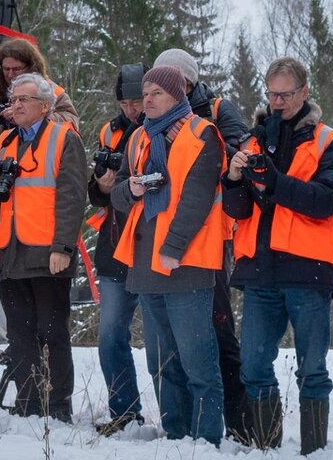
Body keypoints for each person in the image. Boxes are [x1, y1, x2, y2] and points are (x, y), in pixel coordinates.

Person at [222, 57, 333, 454]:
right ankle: (267, 448)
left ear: (305, 92)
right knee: (255, 368)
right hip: (261, 271)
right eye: (272, 94)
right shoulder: (253, 141)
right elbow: (238, 210)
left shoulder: (331, 141)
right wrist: (234, 178)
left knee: (312, 369)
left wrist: (276, 181)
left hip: (308, 272)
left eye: (286, 94)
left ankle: (315, 451)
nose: (277, 102)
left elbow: (329, 199)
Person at [110, 65, 225, 445]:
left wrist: (173, 248)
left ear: (178, 95)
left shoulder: (202, 134)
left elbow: (197, 199)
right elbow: (118, 196)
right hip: (145, 263)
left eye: (157, 92)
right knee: (161, 362)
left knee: (197, 361)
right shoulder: (138, 138)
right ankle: (176, 434)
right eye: (145, 92)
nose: (147, 99)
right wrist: (134, 189)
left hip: (185, 262)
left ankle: (206, 440)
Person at [152, 47, 248, 442]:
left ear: (191, 82)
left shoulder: (218, 109)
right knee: (177, 340)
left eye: (181, 83)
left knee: (219, 331)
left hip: (214, 235)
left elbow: (241, 152)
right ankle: (186, 424)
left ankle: (239, 424)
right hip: (167, 238)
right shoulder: (154, 117)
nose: (177, 90)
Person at [0, 73, 85, 421]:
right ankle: (28, 403)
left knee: (53, 332)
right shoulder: (5, 141)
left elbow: (73, 196)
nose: (16, 105)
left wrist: (63, 247)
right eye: (14, 100)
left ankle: (58, 407)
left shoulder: (64, 139)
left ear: (45, 106)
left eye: (24, 99)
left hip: (48, 254)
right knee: (20, 336)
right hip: (11, 253)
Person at [87, 63, 147, 435]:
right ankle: (124, 413)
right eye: (125, 102)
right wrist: (104, 184)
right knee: (110, 334)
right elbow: (96, 193)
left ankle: (184, 417)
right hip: (113, 245)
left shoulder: (166, 129)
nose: (132, 109)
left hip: (151, 244)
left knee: (163, 340)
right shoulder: (109, 130)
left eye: (137, 100)